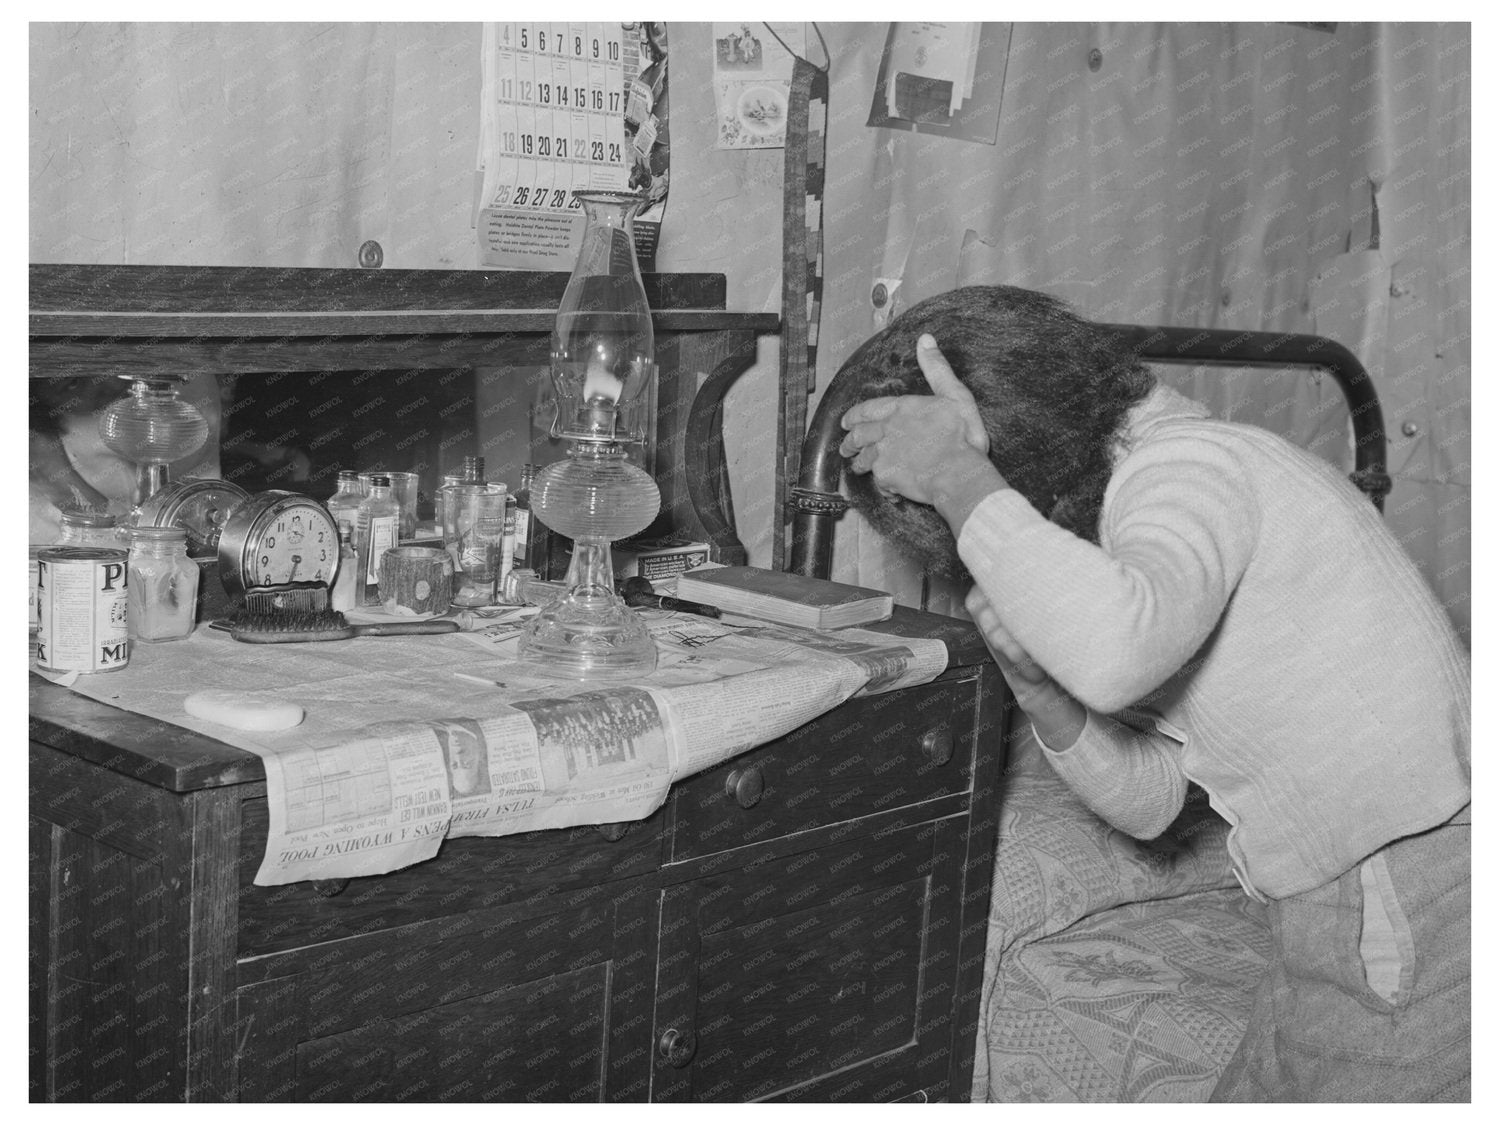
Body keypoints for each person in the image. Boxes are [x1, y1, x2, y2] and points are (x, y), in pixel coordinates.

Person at [836, 286, 1470, 1102]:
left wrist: (958, 478)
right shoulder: (1148, 554)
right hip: (1331, 902)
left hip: (1412, 885)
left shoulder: (1189, 466)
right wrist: (1036, 685)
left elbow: (1113, 654)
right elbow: (1151, 800)